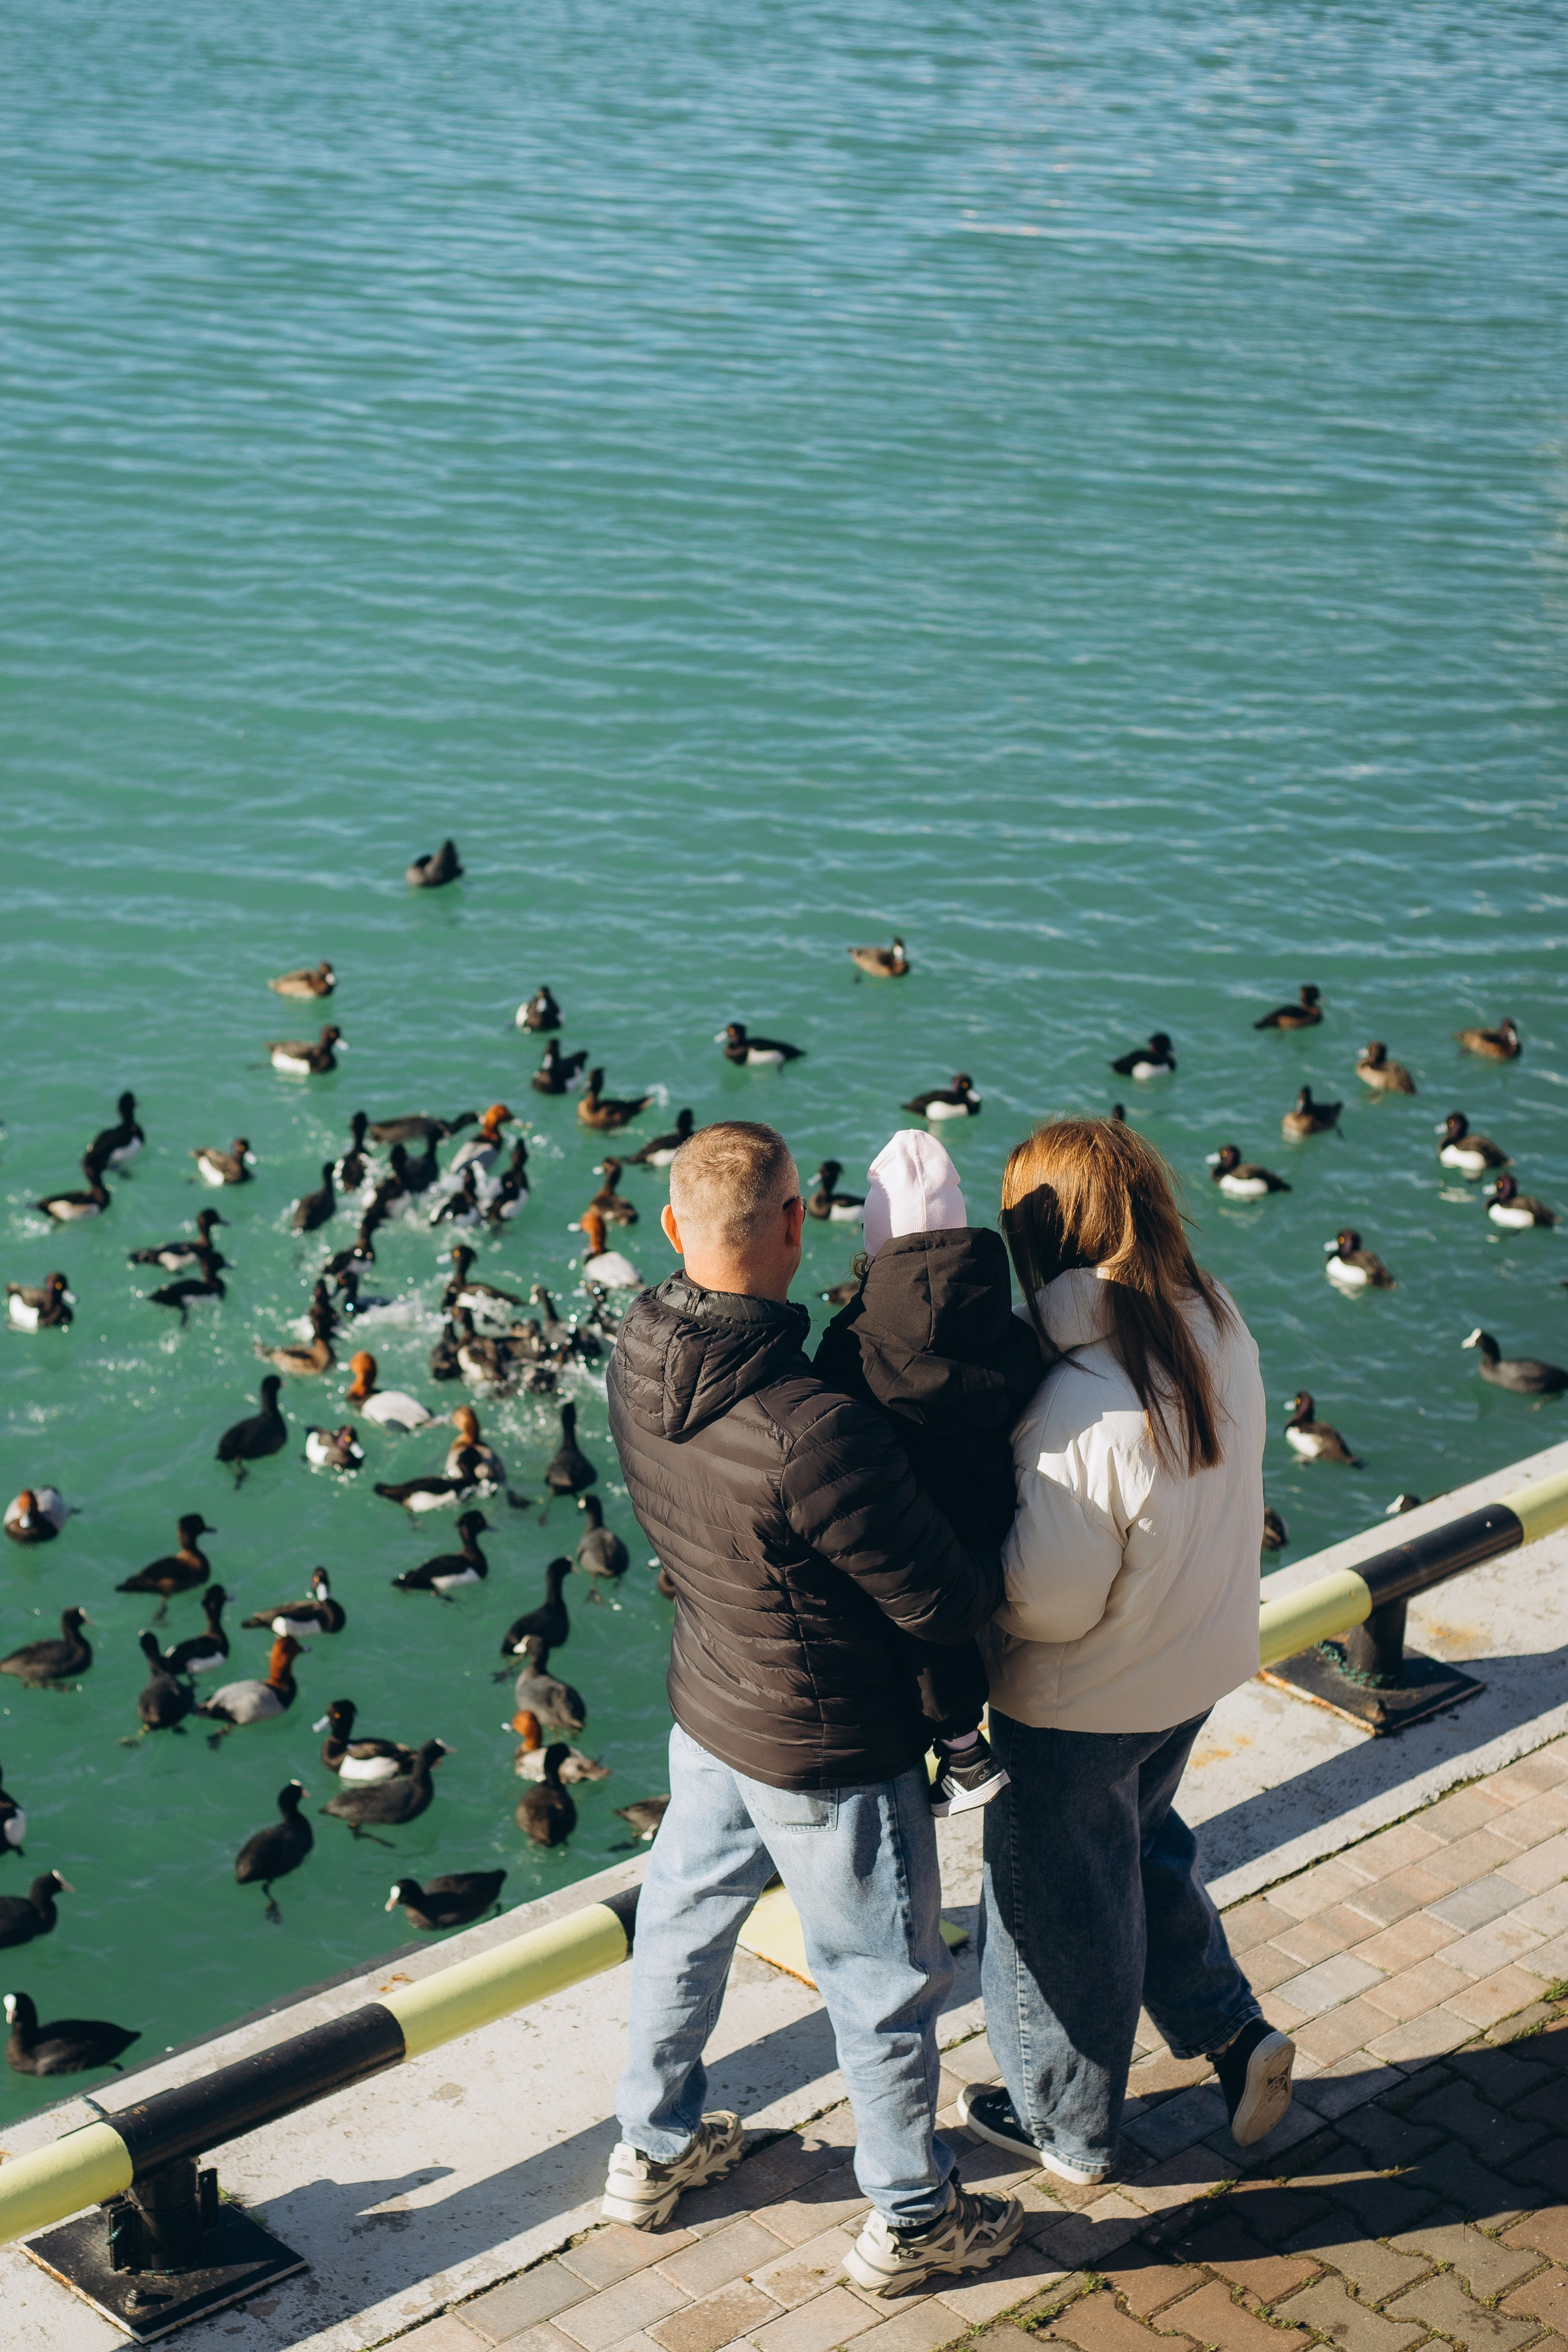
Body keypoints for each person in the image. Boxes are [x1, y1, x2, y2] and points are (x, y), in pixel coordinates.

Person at [601, 1119, 1023, 2296]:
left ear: (675, 1230)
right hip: (828, 1746)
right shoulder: (813, 1428)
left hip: (711, 1704)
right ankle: (911, 2214)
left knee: (681, 1919)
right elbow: (941, 1596)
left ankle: (653, 2145)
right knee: (881, 1982)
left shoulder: (635, 1345)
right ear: (797, 1225)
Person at [957, 1117, 1291, 2183]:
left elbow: (1049, 1607)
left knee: (1052, 1913)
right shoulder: (1216, 1324)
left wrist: (977, 1587)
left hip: (1079, 1705)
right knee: (1136, 1853)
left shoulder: (1078, 1405)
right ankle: (1232, 2035)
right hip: (1189, 1671)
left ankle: (1067, 2128)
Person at [815, 1129, 1043, 1814]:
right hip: (998, 1529)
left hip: (920, 1556)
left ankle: (961, 1750)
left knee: (906, 1596)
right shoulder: (1013, 1332)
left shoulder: (849, 1348)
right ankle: (964, 1747)